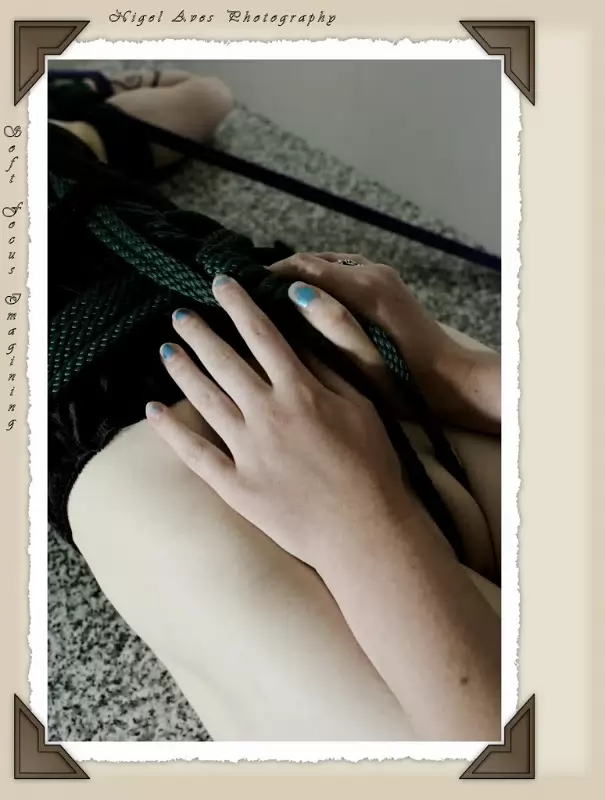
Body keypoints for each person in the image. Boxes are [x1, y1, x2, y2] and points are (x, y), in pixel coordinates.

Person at [49, 67, 502, 742]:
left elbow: (204, 99)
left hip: (205, 420)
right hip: (335, 366)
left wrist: (370, 527)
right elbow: (204, 100)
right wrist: (460, 375)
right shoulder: (56, 131)